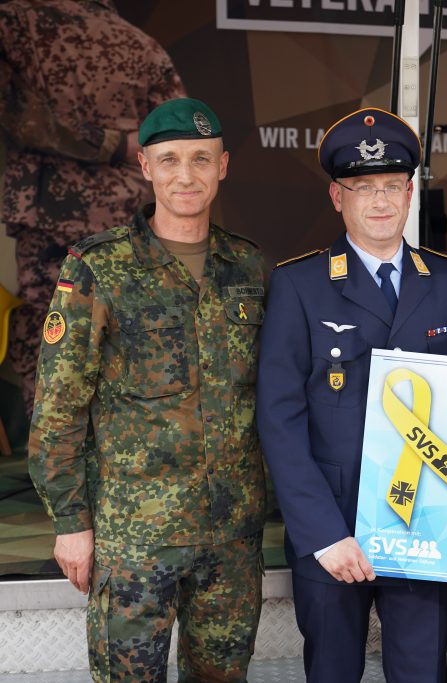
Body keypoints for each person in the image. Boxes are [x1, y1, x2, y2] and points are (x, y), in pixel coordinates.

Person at [28, 98, 267, 682]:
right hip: (136, 538)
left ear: (223, 166)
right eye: (169, 160)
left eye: (201, 159)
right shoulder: (98, 267)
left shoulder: (248, 266)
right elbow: (58, 406)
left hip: (231, 537)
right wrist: (70, 522)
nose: (186, 175)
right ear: (145, 166)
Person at [257, 107, 447, 682]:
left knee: (420, 672)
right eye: (362, 187)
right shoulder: (300, 284)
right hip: (335, 527)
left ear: (410, 194)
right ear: (337, 197)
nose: (380, 201)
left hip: (423, 523)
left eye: (392, 186)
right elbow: (279, 419)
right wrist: (321, 533)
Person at [0, 0, 185, 417]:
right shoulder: (143, 44)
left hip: (51, 216)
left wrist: (103, 143)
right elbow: (179, 138)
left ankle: (56, 453)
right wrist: (119, 145)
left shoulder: (15, 22)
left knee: (51, 340)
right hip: (131, 220)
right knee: (130, 340)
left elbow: (18, 116)